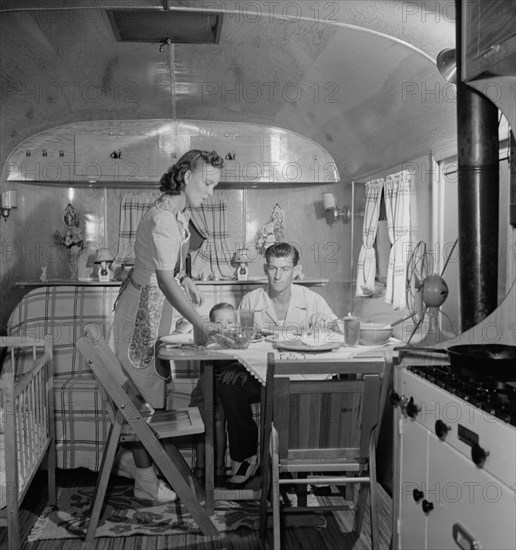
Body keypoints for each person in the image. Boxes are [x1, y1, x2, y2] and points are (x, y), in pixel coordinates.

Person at [111, 150, 224, 502]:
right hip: (141, 312)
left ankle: (140, 468)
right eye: (207, 183)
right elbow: (162, 280)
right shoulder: (163, 217)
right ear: (187, 176)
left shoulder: (179, 211)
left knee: (154, 390)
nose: (210, 192)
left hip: (155, 309)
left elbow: (173, 265)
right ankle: (145, 482)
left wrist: (186, 277)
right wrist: (199, 321)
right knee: (144, 398)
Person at [218, 242, 338, 487]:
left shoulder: (312, 300)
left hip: (299, 377)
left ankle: (314, 462)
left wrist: (324, 323)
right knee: (227, 384)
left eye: (285, 268)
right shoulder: (251, 300)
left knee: (331, 385)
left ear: (296, 270)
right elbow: (240, 340)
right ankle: (246, 458)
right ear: (265, 268)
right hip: (262, 376)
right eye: (272, 268)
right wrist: (236, 364)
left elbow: (338, 329)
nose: (278, 275)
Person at [189, 302, 239, 487]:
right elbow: (205, 378)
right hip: (204, 392)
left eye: (230, 322)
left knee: (218, 422)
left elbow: (239, 370)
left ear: (236, 324)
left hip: (223, 395)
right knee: (203, 420)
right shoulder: (207, 343)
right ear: (210, 325)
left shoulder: (237, 345)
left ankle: (219, 467)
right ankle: (200, 466)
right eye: (219, 322)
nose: (225, 326)